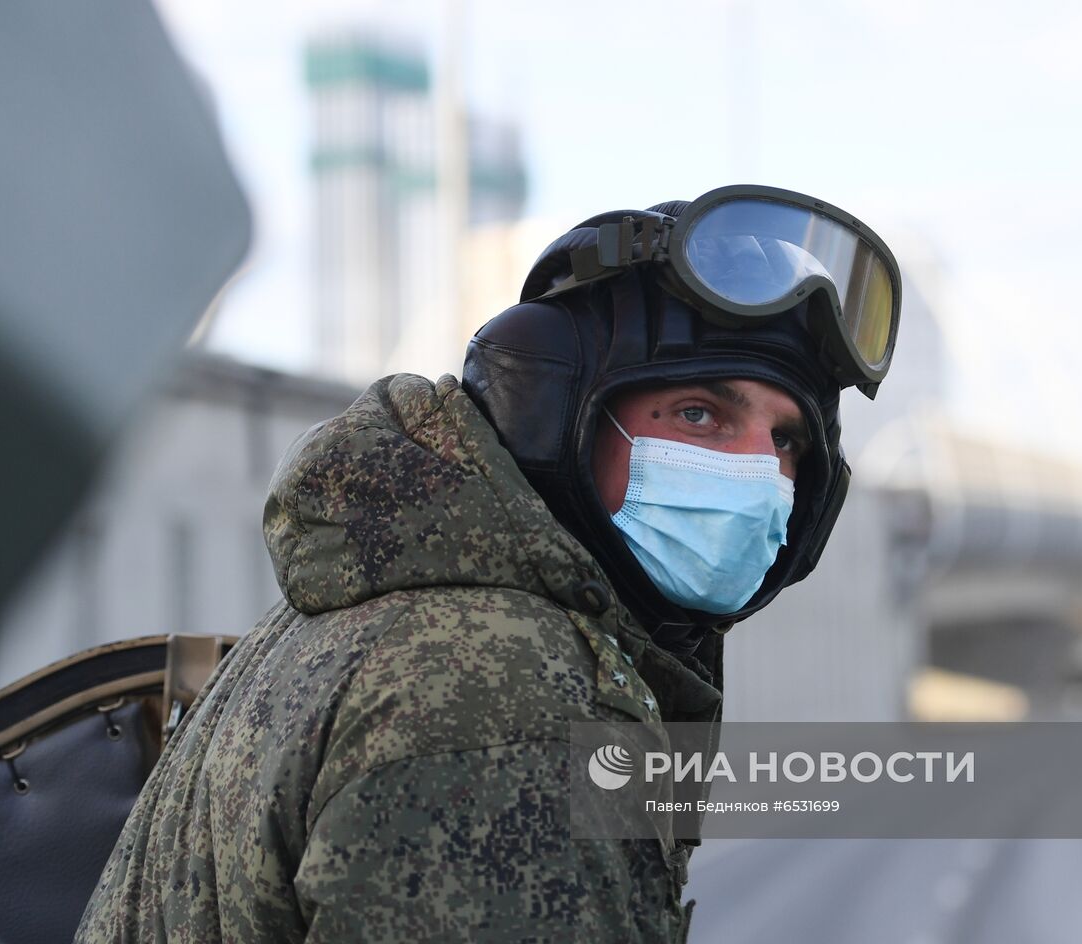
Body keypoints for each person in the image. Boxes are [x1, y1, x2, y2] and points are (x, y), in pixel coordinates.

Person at [74, 185, 902, 943]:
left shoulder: (374, 615)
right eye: (699, 413)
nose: (761, 476)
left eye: (787, 440)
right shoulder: (500, 692)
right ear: (556, 420)